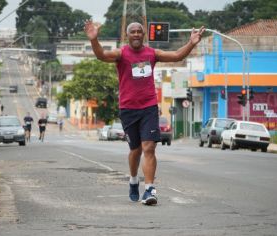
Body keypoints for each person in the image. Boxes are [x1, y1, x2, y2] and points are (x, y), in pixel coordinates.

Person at [85, 20, 205, 205]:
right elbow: (101, 55)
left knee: (149, 147)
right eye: (132, 31)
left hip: (148, 107)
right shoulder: (121, 53)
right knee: (135, 150)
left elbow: (176, 55)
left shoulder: (152, 53)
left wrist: (191, 42)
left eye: (139, 31)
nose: (135, 34)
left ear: (143, 35)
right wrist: (94, 40)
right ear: (127, 35)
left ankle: (149, 190)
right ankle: (133, 180)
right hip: (128, 109)